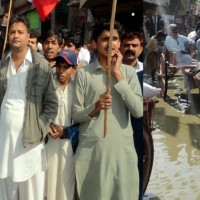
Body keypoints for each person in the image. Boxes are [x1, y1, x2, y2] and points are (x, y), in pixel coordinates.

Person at [72, 20, 143, 200]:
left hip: (122, 151)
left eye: (115, 39)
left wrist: (118, 76)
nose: (110, 44)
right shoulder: (83, 74)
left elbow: (138, 111)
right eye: (105, 39)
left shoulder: (128, 73)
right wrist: (95, 107)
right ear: (95, 43)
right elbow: (76, 115)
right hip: (92, 150)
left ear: (119, 43)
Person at [0, 15, 58, 200]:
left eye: (20, 32)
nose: (16, 35)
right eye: (12, 32)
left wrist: (41, 128)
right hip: (4, 139)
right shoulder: (3, 64)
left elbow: (51, 103)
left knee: (31, 193)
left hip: (30, 139)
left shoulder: (40, 65)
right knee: (7, 189)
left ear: (28, 37)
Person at [45, 49, 79, 200]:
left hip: (69, 145)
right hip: (48, 142)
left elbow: (83, 120)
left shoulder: (78, 89)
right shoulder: (47, 86)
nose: (61, 71)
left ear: (74, 69)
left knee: (66, 186)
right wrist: (47, 127)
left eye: (66, 67)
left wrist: (66, 131)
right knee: (48, 184)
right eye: (59, 66)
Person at [120, 30, 144, 200]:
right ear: (120, 47)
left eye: (134, 45)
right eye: (126, 45)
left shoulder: (144, 73)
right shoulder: (111, 71)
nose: (130, 48)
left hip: (138, 127)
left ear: (141, 49)